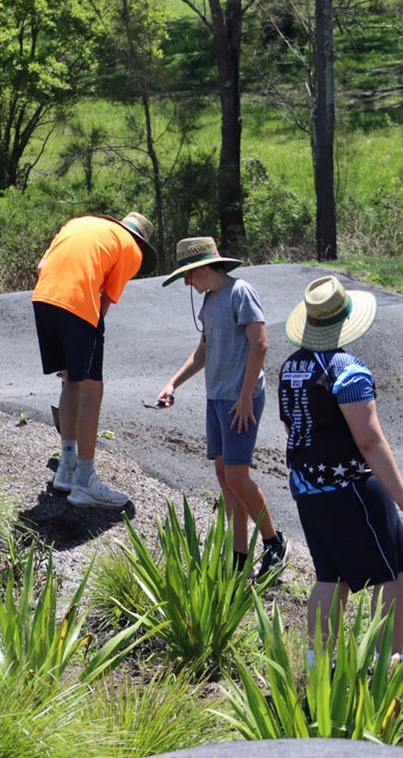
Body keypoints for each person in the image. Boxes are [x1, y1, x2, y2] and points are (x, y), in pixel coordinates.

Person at [278, 275, 403, 665]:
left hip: (307, 487)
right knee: (393, 573)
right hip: (350, 487)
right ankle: (391, 666)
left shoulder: (290, 367)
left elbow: (293, 426)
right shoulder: (347, 370)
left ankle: (317, 671)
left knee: (331, 576)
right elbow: (369, 440)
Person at [155, 237, 287, 576]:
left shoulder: (240, 292)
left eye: (188, 275)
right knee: (223, 476)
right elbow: (202, 352)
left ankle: (274, 543)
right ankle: (239, 555)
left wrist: (245, 398)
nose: (187, 282)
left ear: (202, 268)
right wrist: (173, 383)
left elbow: (260, 345)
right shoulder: (210, 301)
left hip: (240, 399)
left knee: (237, 476)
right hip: (217, 397)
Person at [32, 212, 156, 509]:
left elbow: (41, 267)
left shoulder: (78, 223)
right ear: (141, 239)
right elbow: (103, 303)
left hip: (43, 298)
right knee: (91, 388)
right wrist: (90, 334)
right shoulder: (132, 248)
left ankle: (66, 468)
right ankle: (85, 482)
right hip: (76, 306)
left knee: (69, 379)